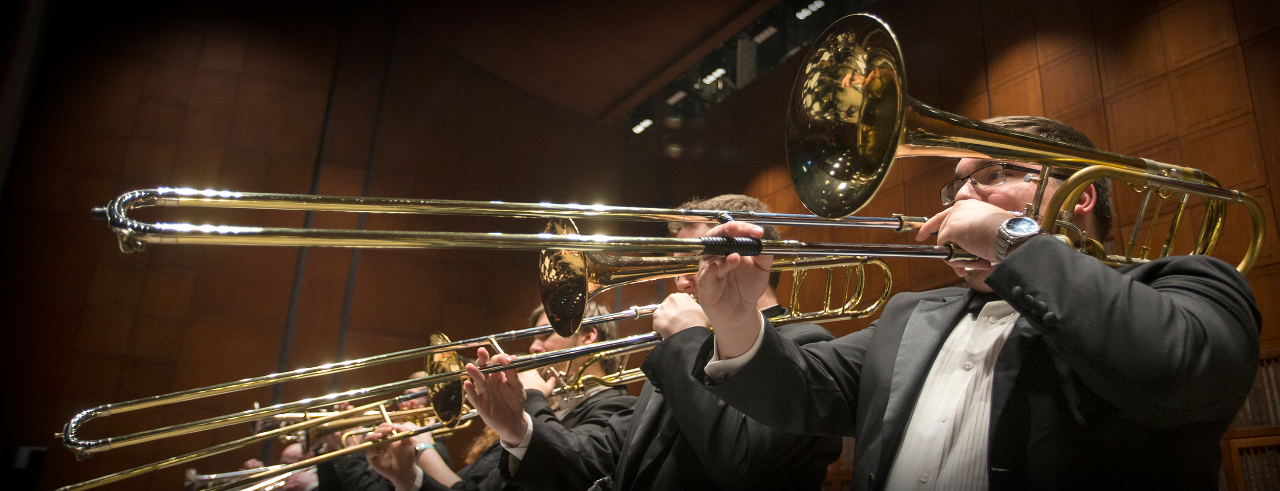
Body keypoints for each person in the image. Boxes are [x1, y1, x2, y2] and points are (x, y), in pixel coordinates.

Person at [692, 116, 1261, 490]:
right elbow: (799, 393)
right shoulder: (912, 313)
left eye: (993, 174)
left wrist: (1014, 240)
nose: (962, 196)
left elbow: (1173, 371)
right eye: (956, 186)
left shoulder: (1188, 283)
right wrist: (737, 316)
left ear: (1079, 193)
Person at [465, 195, 844, 491]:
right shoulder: (685, 355)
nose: (679, 280)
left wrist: (685, 338)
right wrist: (518, 429)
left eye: (695, 260)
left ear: (746, 257)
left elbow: (740, 460)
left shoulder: (807, 346)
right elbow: (610, 463)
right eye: (677, 265)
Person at [363, 302, 636, 491]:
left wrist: (530, 398)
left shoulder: (619, 406)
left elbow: (580, 471)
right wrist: (407, 478)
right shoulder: (540, 411)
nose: (532, 346)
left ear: (588, 336)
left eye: (545, 334)